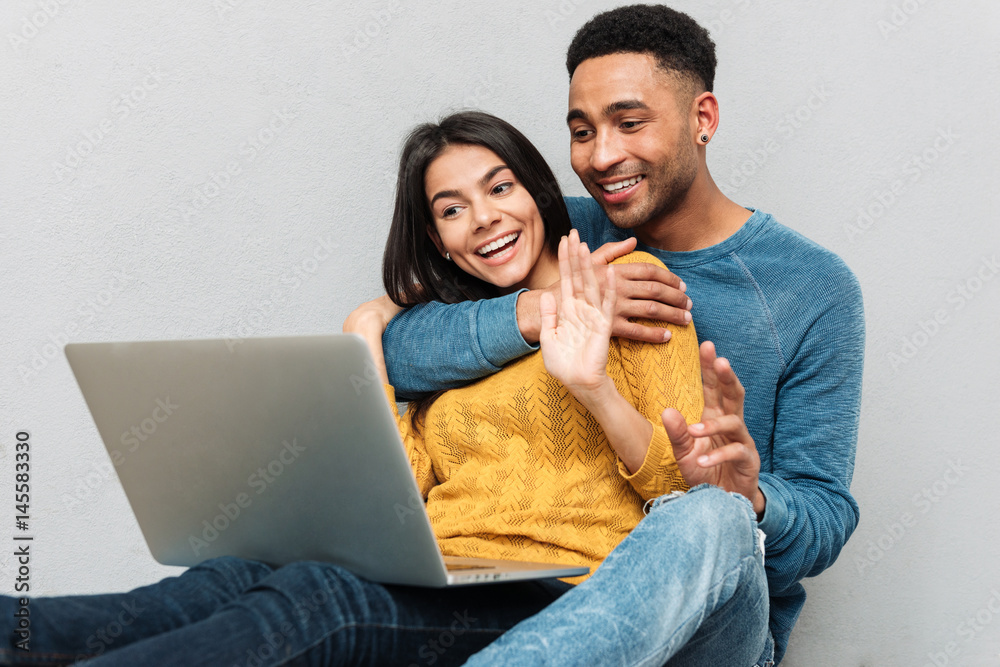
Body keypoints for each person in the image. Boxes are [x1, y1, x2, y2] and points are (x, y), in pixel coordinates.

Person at [0, 112, 704, 666]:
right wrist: (366, 337)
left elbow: (685, 495)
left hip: (560, 591)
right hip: (446, 569)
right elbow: (404, 491)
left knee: (320, 598)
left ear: (538, 192)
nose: (484, 218)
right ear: (437, 239)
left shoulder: (632, 293)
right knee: (230, 574)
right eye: (451, 209)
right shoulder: (449, 343)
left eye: (499, 187)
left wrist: (591, 388)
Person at [382, 5, 865, 666]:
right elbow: (406, 347)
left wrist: (752, 495)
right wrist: (544, 307)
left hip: (715, 626)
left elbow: (823, 518)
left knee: (709, 515)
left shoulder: (811, 286)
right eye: (582, 131)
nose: (602, 156)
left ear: (703, 119)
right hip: (552, 596)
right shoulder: (557, 234)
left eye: (629, 122)